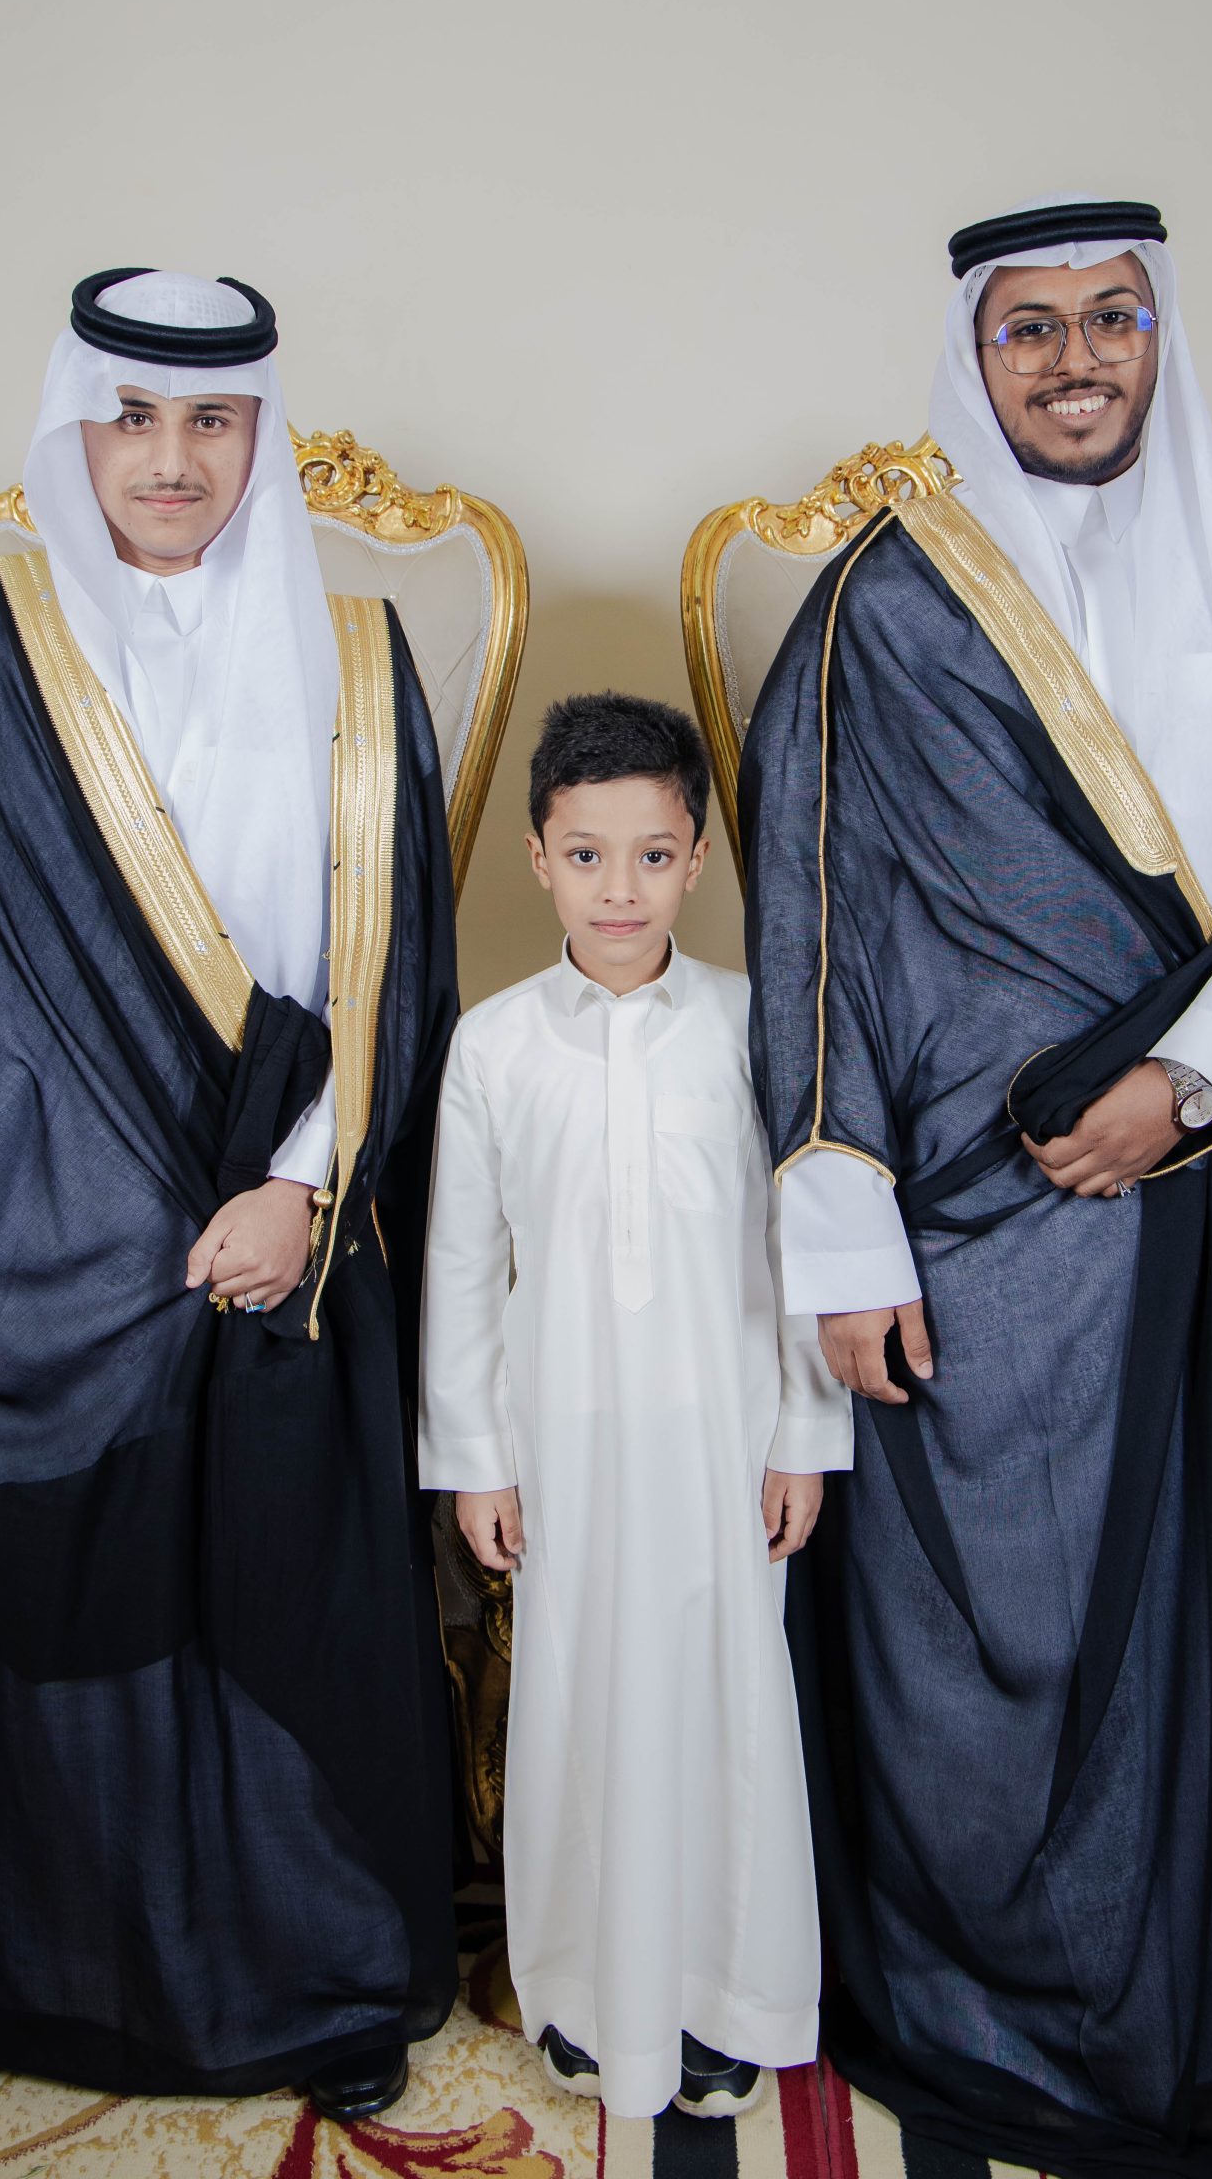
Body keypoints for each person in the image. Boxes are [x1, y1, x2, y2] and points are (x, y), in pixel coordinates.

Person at [741, 201, 1212, 2175]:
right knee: (1020, 1661)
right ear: (971, 358)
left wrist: (1187, 1083)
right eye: (1031, 329)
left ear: (1160, 337)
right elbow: (813, 933)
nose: (1076, 359)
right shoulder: (882, 606)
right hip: (984, 1243)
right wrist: (842, 1242)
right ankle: (1027, 2028)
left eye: (1112, 319)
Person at [0, 268, 458, 2118]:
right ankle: (31, 1976)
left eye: (213, 421)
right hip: (24, 1235)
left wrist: (303, 1189)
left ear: (262, 434)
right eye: (133, 418)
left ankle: (314, 1981)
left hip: (275, 1223)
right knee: (35, 1611)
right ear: (73, 429)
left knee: (286, 1604)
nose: (171, 461)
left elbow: (397, 965)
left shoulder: (356, 658)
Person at [420, 692, 850, 2120]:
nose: (621, 889)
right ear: (538, 858)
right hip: (563, 1440)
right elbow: (464, 1270)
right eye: (588, 855)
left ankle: (730, 1993)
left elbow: (796, 1247)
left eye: (654, 856)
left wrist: (805, 1434)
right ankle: (585, 1989)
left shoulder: (752, 1026)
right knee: (574, 1706)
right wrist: (477, 1460)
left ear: (700, 860)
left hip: (723, 1434)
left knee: (728, 1703)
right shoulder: (493, 1046)